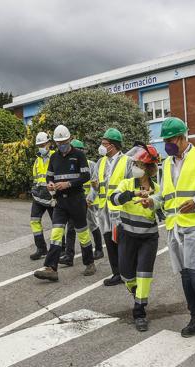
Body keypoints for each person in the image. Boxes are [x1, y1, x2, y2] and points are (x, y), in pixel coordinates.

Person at [140, 117, 195, 337]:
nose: (167, 144)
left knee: (194, 271)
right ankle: (194, 316)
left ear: (182, 137)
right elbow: (164, 194)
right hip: (174, 225)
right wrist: (153, 201)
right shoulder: (166, 164)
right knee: (185, 274)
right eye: (165, 140)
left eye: (170, 139)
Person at [109, 144, 162, 332]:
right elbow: (113, 199)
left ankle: (140, 312)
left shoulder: (157, 189)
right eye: (135, 164)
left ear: (147, 168)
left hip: (148, 238)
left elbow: (163, 212)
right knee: (126, 274)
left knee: (144, 275)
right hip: (127, 236)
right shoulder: (127, 184)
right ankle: (135, 291)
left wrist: (152, 203)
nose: (135, 167)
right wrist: (133, 194)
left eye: (138, 164)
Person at [33, 125, 95, 281]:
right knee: (56, 234)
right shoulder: (54, 158)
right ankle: (51, 268)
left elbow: (86, 176)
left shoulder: (79, 155)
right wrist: (50, 184)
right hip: (60, 201)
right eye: (59, 142)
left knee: (83, 234)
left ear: (70, 139)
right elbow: (49, 176)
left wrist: (68, 184)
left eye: (64, 141)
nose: (62, 144)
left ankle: (89, 263)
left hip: (76, 200)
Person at [93, 128, 132, 286]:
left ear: (113, 146)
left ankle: (127, 272)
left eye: (104, 143)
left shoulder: (127, 161)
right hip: (104, 210)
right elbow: (97, 185)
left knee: (123, 243)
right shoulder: (100, 162)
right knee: (109, 242)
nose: (101, 146)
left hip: (121, 210)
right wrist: (95, 187)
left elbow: (131, 184)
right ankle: (117, 273)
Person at [58, 139, 105, 267]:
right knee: (71, 227)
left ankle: (99, 249)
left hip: (88, 201)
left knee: (92, 224)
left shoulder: (91, 165)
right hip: (75, 201)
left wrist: (89, 199)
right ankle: (69, 255)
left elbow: (96, 185)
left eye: (79, 149)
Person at [29, 132, 55, 260]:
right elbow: (35, 179)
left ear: (49, 144)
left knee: (57, 224)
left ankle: (60, 248)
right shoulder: (37, 160)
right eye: (39, 145)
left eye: (43, 144)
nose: (41, 146)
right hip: (38, 196)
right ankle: (41, 248)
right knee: (34, 221)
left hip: (52, 196)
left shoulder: (55, 157)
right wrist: (34, 190)